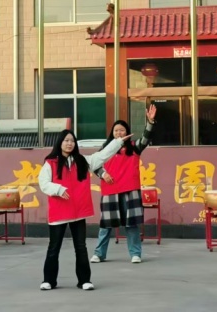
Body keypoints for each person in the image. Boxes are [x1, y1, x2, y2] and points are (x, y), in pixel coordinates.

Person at [39, 129, 132, 291]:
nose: (69, 144)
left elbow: (101, 156)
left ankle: (84, 280)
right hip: (59, 212)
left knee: (81, 247)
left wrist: (118, 142)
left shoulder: (82, 161)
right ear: (60, 143)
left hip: (78, 212)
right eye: (66, 140)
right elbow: (43, 183)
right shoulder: (50, 163)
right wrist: (58, 189)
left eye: (72, 141)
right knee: (54, 247)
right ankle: (49, 280)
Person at [90, 104, 157, 265]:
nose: (119, 133)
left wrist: (150, 122)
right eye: (116, 130)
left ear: (127, 132)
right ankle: (99, 254)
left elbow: (146, 138)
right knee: (106, 225)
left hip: (130, 190)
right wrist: (103, 174)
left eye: (122, 130)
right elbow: (94, 165)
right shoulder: (105, 148)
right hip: (110, 190)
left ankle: (135, 254)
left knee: (131, 224)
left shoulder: (134, 147)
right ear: (112, 133)